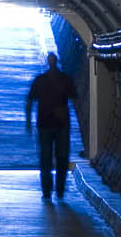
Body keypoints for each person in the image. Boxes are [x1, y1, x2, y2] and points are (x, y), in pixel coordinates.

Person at [25, 51, 81, 200]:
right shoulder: (64, 79)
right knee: (60, 157)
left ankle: (48, 191)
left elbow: (30, 101)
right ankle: (59, 190)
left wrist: (28, 122)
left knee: (46, 157)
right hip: (59, 124)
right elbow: (75, 100)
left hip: (46, 124)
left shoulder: (41, 80)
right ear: (55, 61)